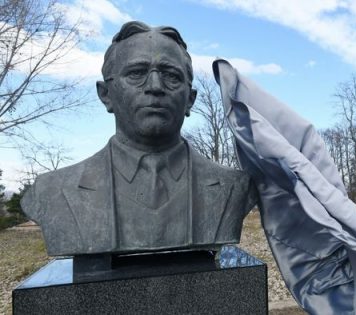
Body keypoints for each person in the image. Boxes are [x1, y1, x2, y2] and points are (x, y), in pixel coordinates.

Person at [21, 21, 256, 256]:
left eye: (172, 76)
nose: (155, 86)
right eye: (136, 73)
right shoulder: (53, 190)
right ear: (106, 95)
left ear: (190, 99)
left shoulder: (235, 187)